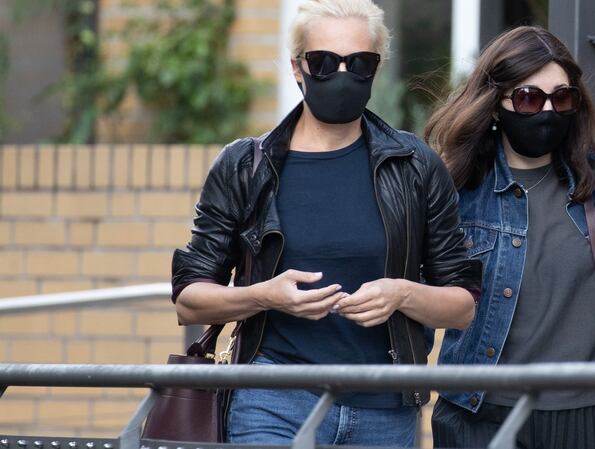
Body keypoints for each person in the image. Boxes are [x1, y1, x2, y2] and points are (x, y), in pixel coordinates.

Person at [170, 0, 481, 446]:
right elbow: (190, 300)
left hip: (383, 409)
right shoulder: (245, 166)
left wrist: (402, 293)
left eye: (359, 63)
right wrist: (265, 296)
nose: (342, 75)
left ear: (376, 69)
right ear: (297, 68)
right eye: (323, 62)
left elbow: (462, 305)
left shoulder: (414, 165)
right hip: (273, 399)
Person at [425, 26, 595, 449]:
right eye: (529, 98)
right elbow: (425, 289)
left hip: (589, 417)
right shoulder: (460, 185)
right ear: (496, 105)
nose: (548, 111)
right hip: (480, 416)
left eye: (562, 98)